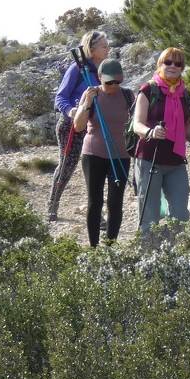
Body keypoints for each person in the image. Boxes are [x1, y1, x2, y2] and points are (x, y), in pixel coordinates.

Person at [131, 47, 190, 232]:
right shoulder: (148, 90)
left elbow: (189, 133)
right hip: (149, 159)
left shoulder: (184, 95)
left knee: (180, 216)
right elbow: (137, 125)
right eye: (168, 62)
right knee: (150, 216)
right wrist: (151, 132)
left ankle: (175, 257)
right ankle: (147, 254)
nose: (172, 66)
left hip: (176, 161)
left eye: (178, 63)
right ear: (159, 64)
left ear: (182, 68)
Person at [47, 30, 109, 222]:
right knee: (67, 165)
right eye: (104, 46)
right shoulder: (77, 68)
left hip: (96, 127)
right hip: (71, 125)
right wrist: (71, 111)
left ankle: (97, 216)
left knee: (96, 169)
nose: (108, 48)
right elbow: (60, 97)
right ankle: (53, 205)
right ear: (91, 48)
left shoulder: (105, 71)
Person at [72, 58, 131, 247]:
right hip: (93, 155)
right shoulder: (92, 94)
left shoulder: (129, 96)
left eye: (117, 81)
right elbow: (78, 126)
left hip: (120, 156)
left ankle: (110, 247)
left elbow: (139, 121)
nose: (114, 85)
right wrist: (87, 102)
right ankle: (93, 247)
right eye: (109, 82)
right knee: (95, 202)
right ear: (99, 78)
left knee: (115, 203)